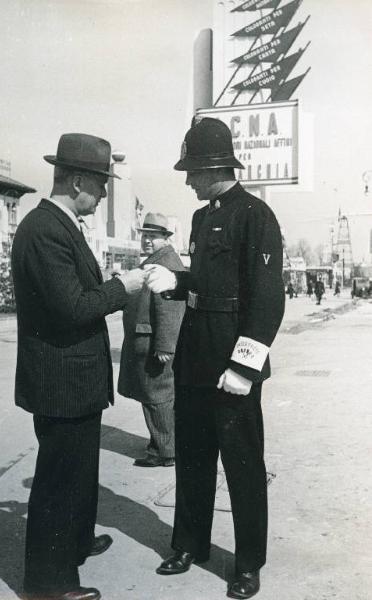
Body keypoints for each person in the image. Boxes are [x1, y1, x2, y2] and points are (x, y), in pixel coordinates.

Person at [145, 117, 285, 599]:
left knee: (242, 463)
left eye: (192, 171)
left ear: (212, 166)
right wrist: (178, 283)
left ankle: (247, 563)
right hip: (196, 353)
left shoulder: (255, 215)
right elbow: (206, 285)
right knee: (194, 456)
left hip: (232, 356)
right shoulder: (204, 218)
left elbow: (267, 299)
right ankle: (189, 544)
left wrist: (245, 367)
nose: (187, 180)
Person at [12, 133, 145, 600]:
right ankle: (49, 584)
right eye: (100, 184)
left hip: (72, 378)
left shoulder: (59, 224)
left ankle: (74, 543)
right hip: (60, 380)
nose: (105, 193)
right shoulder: (46, 229)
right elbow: (71, 308)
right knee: (59, 481)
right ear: (76, 182)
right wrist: (122, 287)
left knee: (78, 471)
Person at [118, 212, 185, 467]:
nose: (147, 241)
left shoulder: (166, 261)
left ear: (165, 238)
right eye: (145, 235)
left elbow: (171, 308)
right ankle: (161, 445)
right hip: (146, 342)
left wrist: (165, 345)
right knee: (155, 396)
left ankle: (166, 452)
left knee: (158, 397)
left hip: (154, 345)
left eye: (153, 237)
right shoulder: (158, 258)